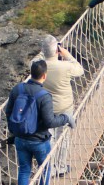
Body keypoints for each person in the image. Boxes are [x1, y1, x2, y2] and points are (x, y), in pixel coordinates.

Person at [5, 59, 75, 185]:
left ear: (31, 73)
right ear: (44, 76)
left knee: (24, 170)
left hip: (20, 139)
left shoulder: (17, 89)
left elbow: (8, 111)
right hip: (39, 142)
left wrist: (14, 131)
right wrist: (65, 118)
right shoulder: (44, 95)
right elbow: (50, 121)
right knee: (45, 169)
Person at [36, 35, 84, 175]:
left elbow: (36, 59)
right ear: (57, 50)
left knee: (49, 137)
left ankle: (49, 169)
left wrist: (45, 51)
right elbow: (79, 70)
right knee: (63, 138)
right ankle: (61, 167)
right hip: (65, 108)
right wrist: (67, 55)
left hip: (46, 109)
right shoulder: (66, 67)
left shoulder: (38, 67)